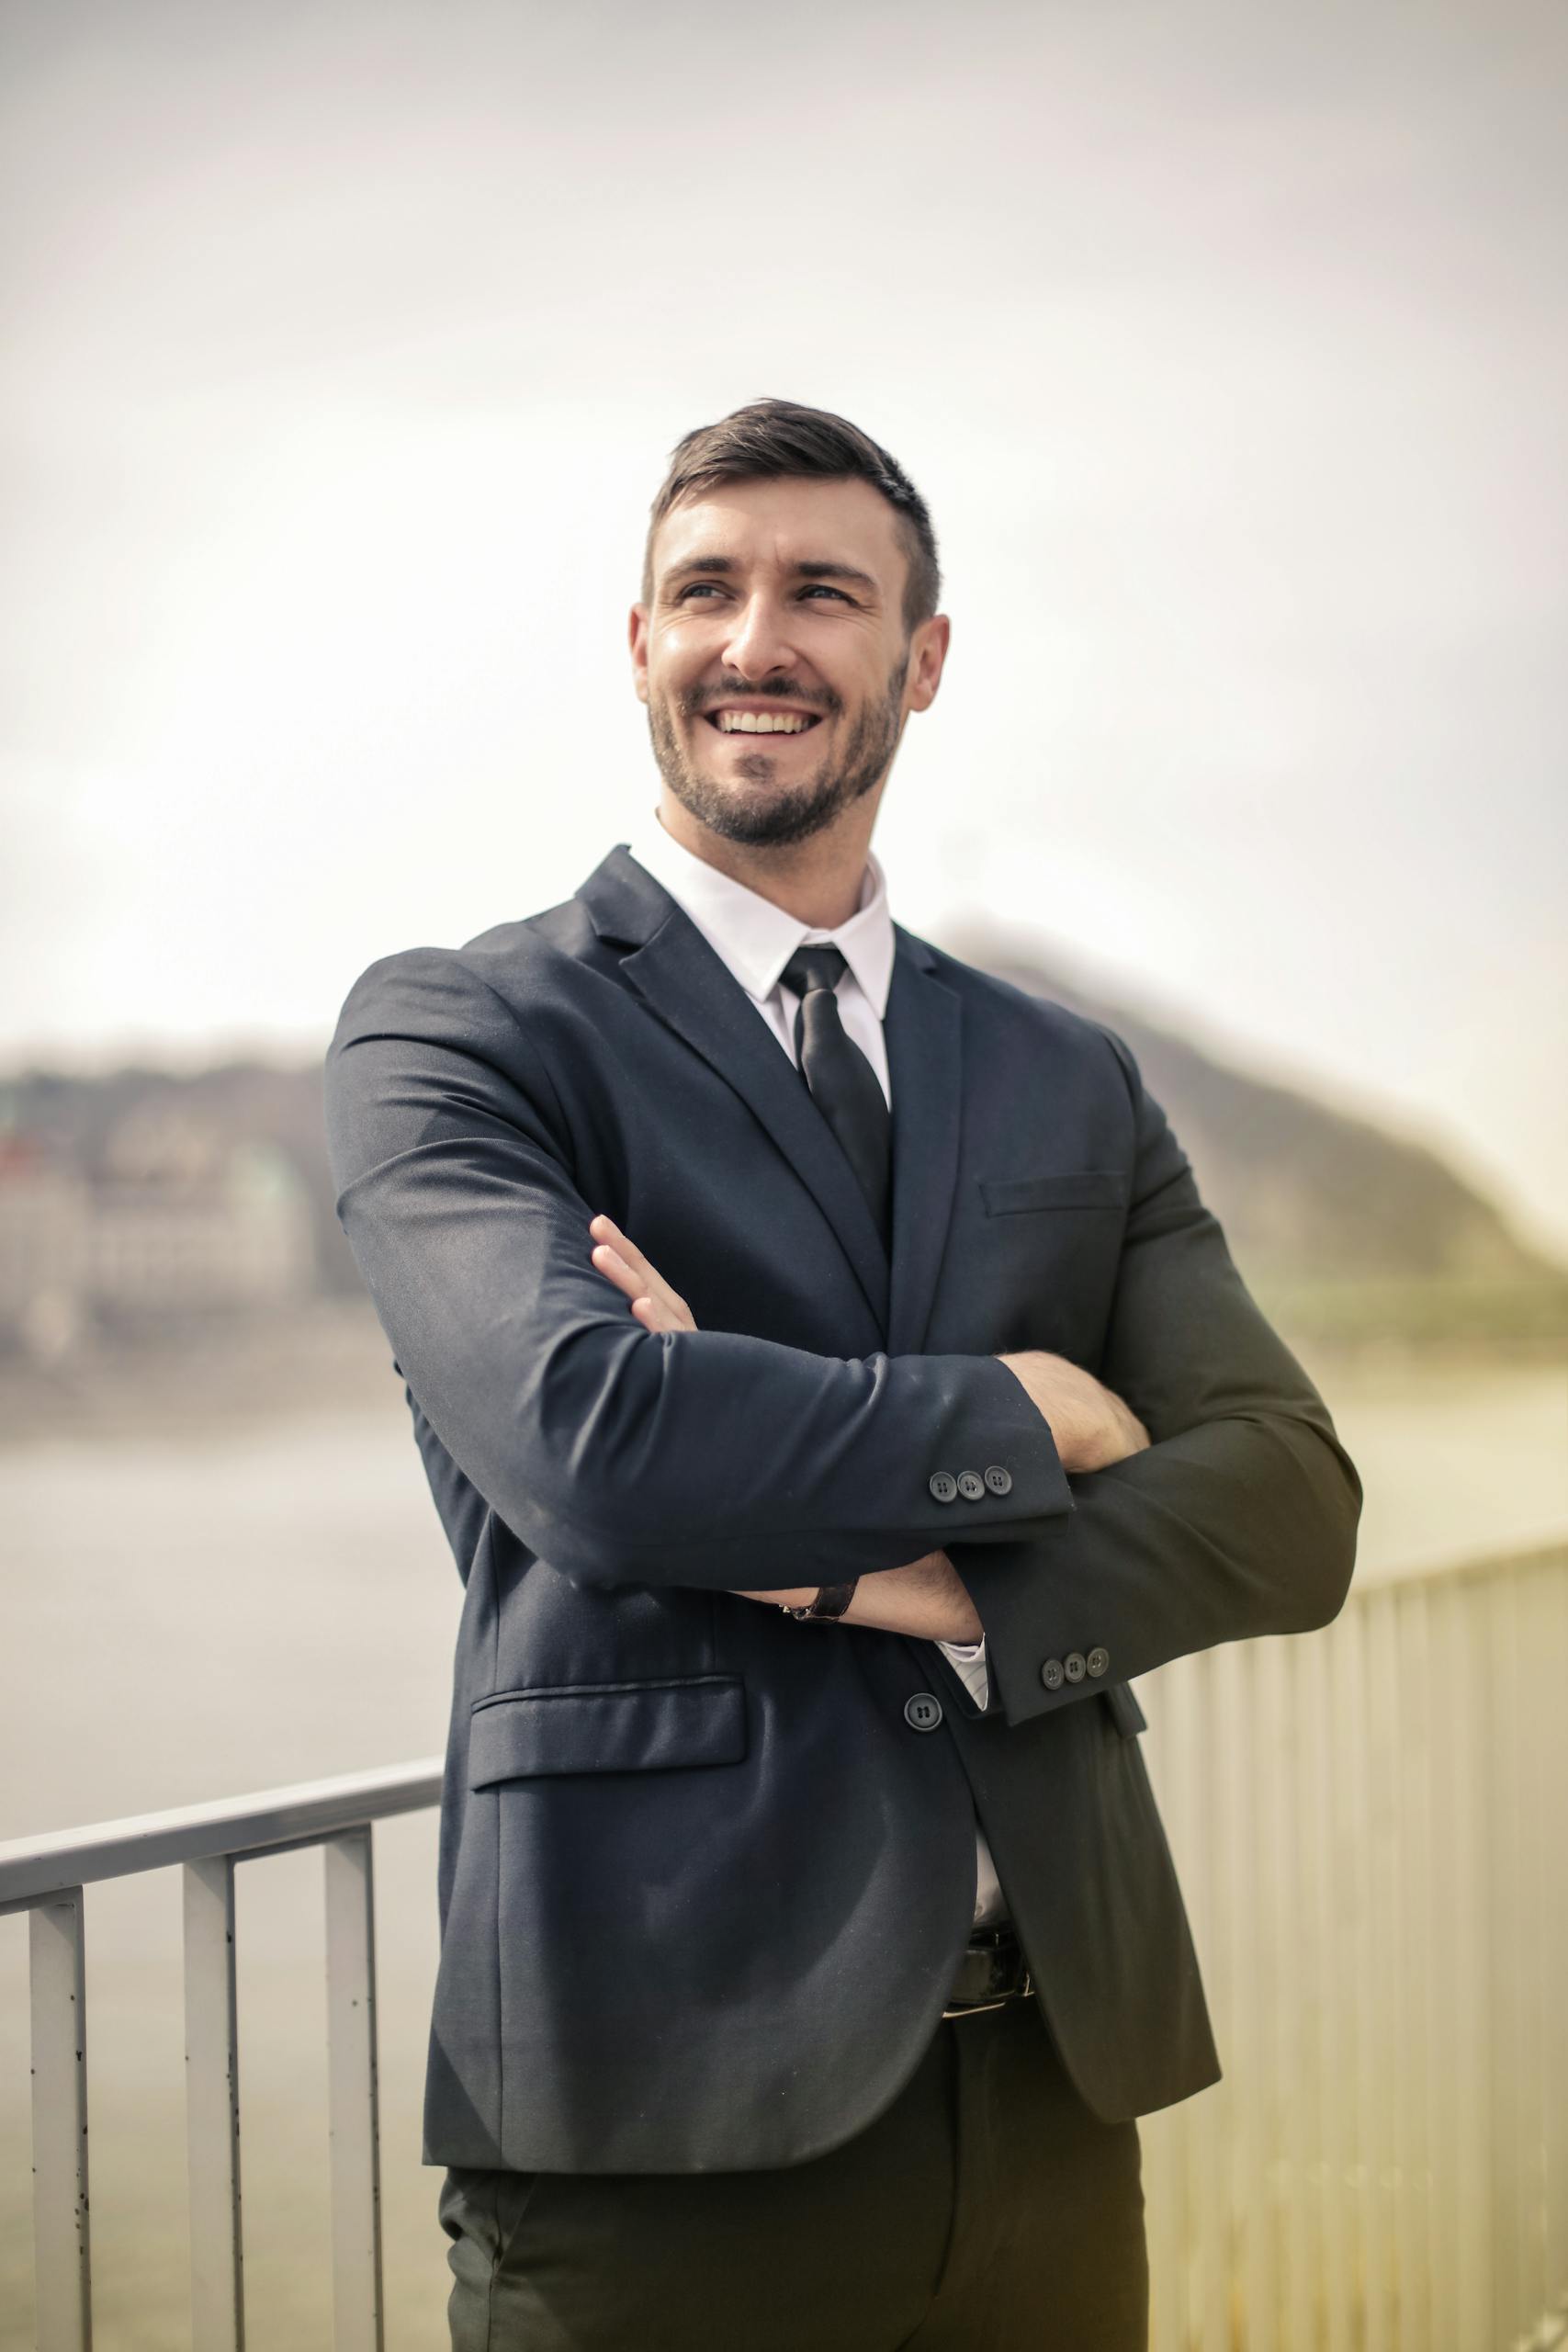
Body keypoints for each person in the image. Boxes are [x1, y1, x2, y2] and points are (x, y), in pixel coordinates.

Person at [323, 397, 1360, 2350]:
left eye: (821, 590)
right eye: (702, 590)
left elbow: (1290, 1504)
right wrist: (1028, 1409)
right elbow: (597, 1444)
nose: (755, 640)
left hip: (1053, 2079)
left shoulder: (1066, 1069)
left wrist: (839, 1552)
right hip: (658, 2108)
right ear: (636, 643)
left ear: (921, 656)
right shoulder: (459, 1030)